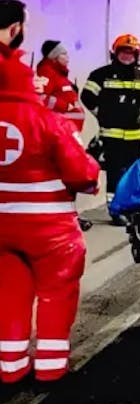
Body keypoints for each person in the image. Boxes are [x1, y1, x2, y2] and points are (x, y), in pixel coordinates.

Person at [0, 48, 101, 385]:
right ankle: (51, 366)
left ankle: (11, 366)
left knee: (9, 294)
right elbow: (81, 173)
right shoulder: (47, 120)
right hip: (49, 228)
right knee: (56, 292)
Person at [81, 34, 140, 213]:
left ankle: (130, 206)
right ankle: (115, 209)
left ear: (137, 55)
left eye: (131, 53)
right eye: (123, 52)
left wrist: (132, 113)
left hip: (134, 135)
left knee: (131, 172)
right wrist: (103, 115)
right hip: (111, 134)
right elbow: (87, 97)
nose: (127, 56)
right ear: (115, 53)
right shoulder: (101, 75)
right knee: (114, 173)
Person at [36, 41, 86, 137]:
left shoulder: (59, 75)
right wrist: (65, 106)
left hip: (67, 131)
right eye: (63, 54)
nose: (68, 57)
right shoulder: (46, 72)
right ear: (54, 57)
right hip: (58, 130)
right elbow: (41, 97)